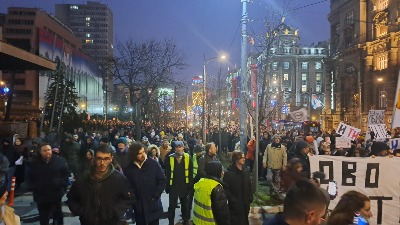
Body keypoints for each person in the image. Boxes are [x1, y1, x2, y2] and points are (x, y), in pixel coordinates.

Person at [66, 144, 133, 225]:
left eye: (106, 159)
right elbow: (72, 198)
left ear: (111, 159)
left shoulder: (119, 178)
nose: (102, 163)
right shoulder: (84, 178)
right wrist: (83, 212)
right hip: (88, 221)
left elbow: (128, 198)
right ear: (94, 158)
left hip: (111, 221)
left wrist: (115, 211)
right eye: (99, 158)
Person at [124, 142, 166, 225]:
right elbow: (127, 187)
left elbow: (162, 180)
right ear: (133, 155)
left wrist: (155, 196)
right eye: (139, 153)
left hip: (153, 206)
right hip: (139, 209)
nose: (143, 155)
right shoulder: (129, 169)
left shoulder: (153, 164)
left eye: (143, 152)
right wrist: (133, 199)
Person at [29, 143, 69, 225]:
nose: (47, 152)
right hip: (41, 196)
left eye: (49, 150)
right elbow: (29, 177)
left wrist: (61, 185)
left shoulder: (59, 161)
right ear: (40, 152)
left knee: (57, 216)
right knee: (44, 217)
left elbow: (65, 174)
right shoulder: (34, 163)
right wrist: (34, 187)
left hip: (56, 194)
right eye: (44, 150)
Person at [164, 141, 193, 225]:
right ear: (175, 148)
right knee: (172, 206)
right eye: (177, 147)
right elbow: (167, 173)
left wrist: (190, 185)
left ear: (183, 147)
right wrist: (167, 186)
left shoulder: (188, 157)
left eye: (180, 147)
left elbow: (190, 173)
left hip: (184, 185)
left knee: (184, 205)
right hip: (173, 185)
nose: (178, 148)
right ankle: (171, 222)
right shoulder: (170, 158)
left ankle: (185, 220)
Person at [223, 151, 253, 225]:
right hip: (235, 206)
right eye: (242, 157)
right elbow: (226, 189)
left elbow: (249, 185)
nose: (244, 159)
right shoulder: (229, 173)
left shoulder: (246, 171)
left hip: (245, 203)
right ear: (236, 159)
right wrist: (233, 200)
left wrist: (250, 197)